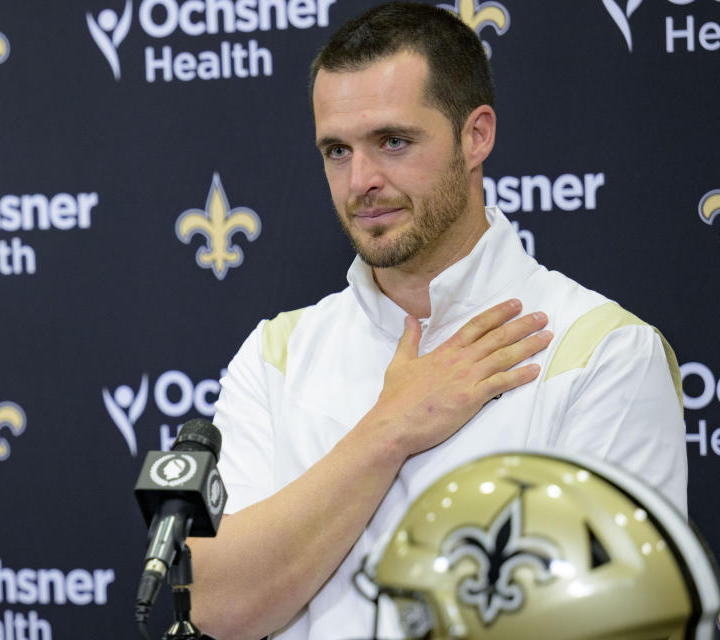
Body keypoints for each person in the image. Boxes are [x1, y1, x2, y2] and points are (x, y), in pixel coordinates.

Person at [189, 3, 686, 639]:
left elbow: (619, 623)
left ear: (476, 136)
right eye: (336, 150)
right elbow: (217, 608)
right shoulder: (276, 354)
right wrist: (388, 430)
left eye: (393, 141)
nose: (360, 181)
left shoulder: (602, 353)